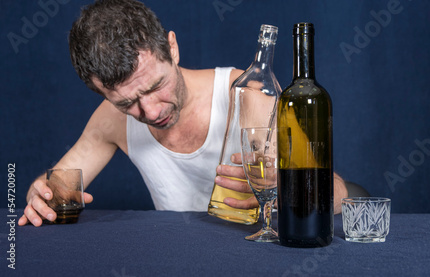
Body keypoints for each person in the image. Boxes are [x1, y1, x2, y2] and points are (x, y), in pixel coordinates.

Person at [19, 0, 347, 227]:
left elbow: (339, 196)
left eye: (154, 86)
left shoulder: (248, 93)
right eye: (126, 102)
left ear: (172, 48)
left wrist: (291, 184)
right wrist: (41, 196)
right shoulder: (111, 118)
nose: (149, 111)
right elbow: (56, 188)